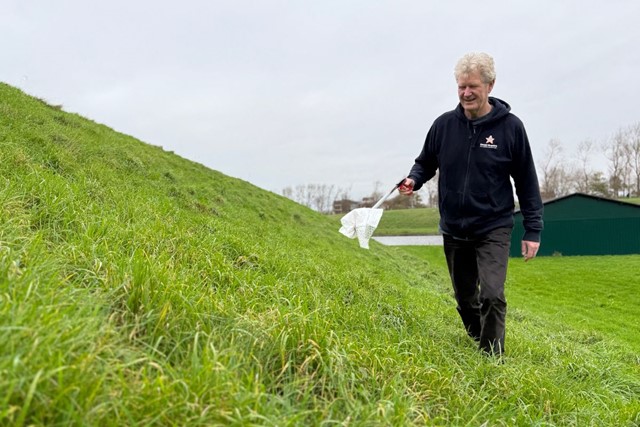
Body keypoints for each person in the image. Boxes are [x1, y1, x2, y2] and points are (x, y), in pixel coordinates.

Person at [398, 52, 543, 356]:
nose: (466, 93)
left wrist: (533, 230)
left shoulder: (511, 128)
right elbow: (425, 163)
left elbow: (527, 182)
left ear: (490, 85)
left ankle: (492, 357)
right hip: (454, 228)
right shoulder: (443, 126)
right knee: (466, 300)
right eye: (461, 87)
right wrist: (414, 179)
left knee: (492, 294)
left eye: (472, 86)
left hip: (493, 226)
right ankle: (479, 338)